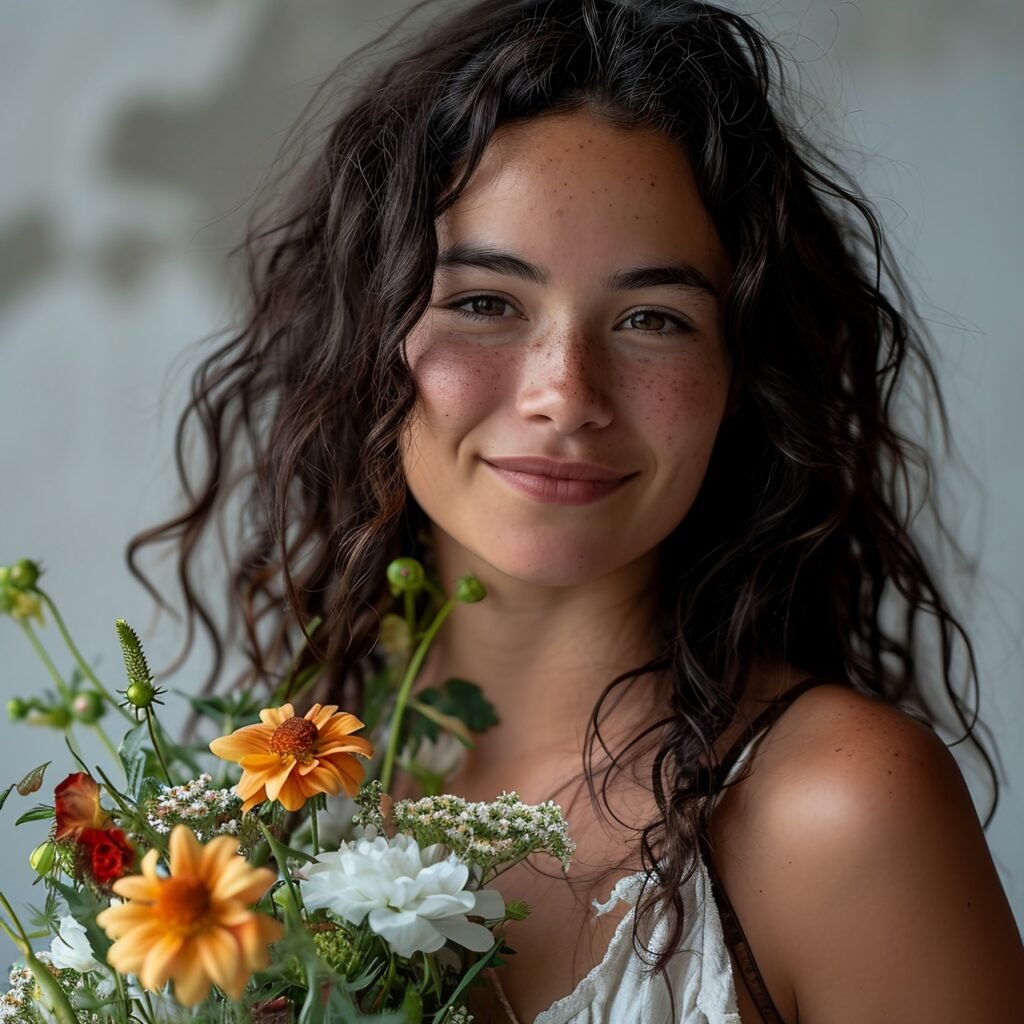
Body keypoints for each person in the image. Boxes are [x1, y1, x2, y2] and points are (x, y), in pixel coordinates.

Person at [130, 0, 1023, 1020]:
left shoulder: (834, 809)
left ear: (744, 377)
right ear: (368, 337)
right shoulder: (259, 814)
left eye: (652, 318)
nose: (566, 391)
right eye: (484, 302)